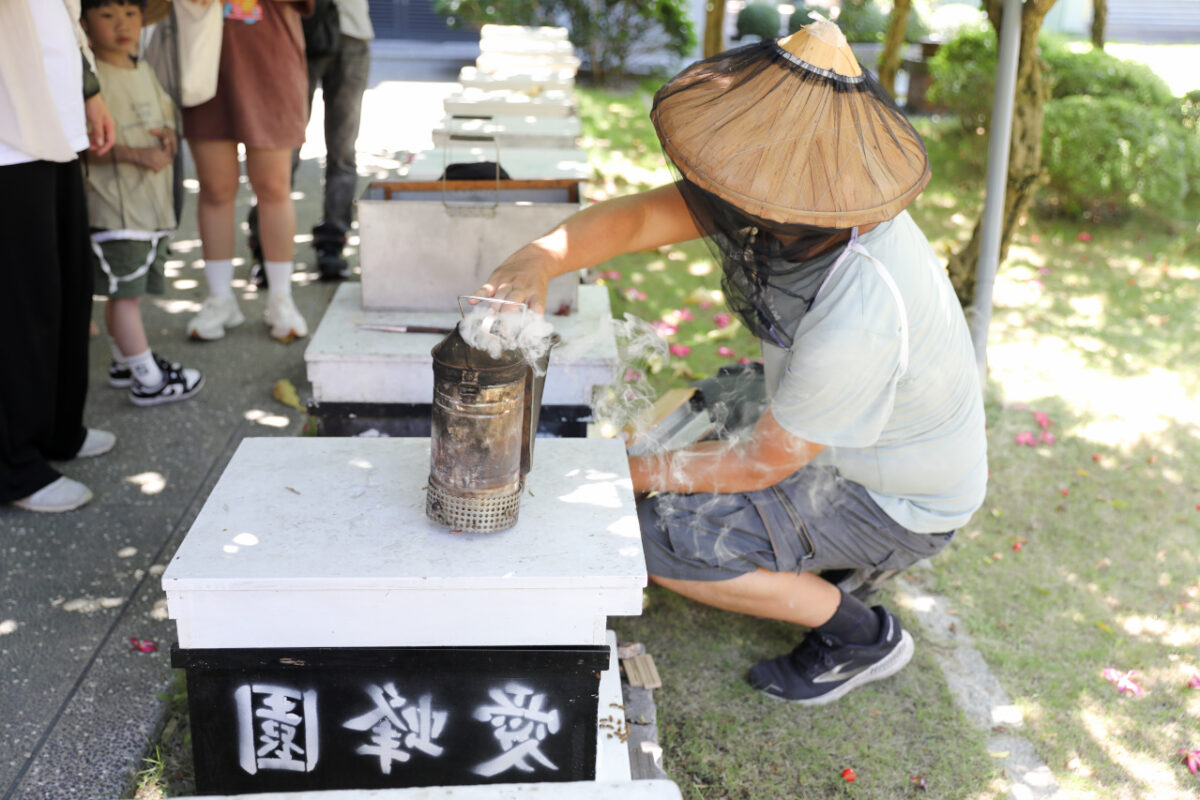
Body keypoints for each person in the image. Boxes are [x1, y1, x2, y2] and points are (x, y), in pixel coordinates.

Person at [474, 19, 988, 705]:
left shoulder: (860, 314)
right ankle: (814, 559)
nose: (733, 193)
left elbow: (762, 464)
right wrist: (541, 257)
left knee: (665, 538)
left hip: (897, 498)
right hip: (852, 428)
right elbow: (636, 222)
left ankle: (859, 633)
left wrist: (623, 476)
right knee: (709, 407)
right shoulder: (807, 189)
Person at [0, 0, 118, 512]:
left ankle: (56, 430)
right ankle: (14, 466)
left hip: (56, 120)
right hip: (8, 134)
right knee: (22, 304)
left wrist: (89, 91)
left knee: (68, 288)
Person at [81, 0, 204, 406]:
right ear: (84, 23)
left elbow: (164, 117)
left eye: (131, 14)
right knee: (125, 296)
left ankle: (123, 361)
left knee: (129, 293)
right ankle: (148, 379)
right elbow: (85, 146)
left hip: (149, 208)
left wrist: (168, 135)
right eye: (108, 15)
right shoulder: (91, 83)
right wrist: (136, 154)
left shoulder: (144, 68)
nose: (123, 25)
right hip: (116, 209)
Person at [183, 0, 313, 342]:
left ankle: (281, 299)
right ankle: (219, 298)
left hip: (271, 65)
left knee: (273, 187)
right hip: (205, 66)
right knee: (214, 188)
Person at [247, 0, 373, 284]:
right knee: (281, 148)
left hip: (352, 33)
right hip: (296, 30)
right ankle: (265, 243)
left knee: (342, 151)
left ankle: (333, 242)